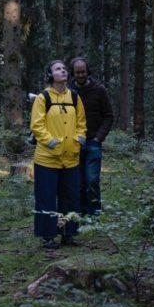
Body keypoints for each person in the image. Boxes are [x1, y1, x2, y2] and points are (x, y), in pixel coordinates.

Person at [30, 60, 86, 249]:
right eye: (57, 69)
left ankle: (68, 233)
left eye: (63, 68)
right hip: (47, 158)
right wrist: (51, 142)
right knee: (46, 197)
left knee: (70, 197)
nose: (62, 70)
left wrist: (79, 140)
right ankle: (48, 236)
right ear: (50, 75)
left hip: (71, 157)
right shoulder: (42, 97)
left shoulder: (74, 97)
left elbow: (82, 123)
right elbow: (37, 125)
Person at [69, 57, 113, 216]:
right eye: (77, 72)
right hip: (74, 142)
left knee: (92, 180)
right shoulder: (68, 92)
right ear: (72, 73)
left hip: (93, 142)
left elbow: (108, 115)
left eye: (83, 72)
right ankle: (81, 212)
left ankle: (94, 214)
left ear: (88, 71)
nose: (80, 75)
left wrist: (99, 138)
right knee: (78, 181)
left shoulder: (99, 90)